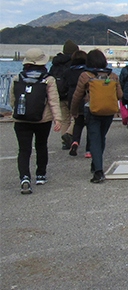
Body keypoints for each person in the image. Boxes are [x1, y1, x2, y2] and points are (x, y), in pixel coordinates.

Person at [9, 48, 63, 194]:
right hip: (42, 120)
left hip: (21, 119)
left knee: (24, 150)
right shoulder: (48, 79)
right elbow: (53, 101)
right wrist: (58, 119)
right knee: (41, 146)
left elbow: (12, 99)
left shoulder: (17, 78)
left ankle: (25, 177)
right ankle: (40, 175)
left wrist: (19, 111)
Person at [69, 49, 123, 184]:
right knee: (101, 137)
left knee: (94, 138)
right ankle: (96, 164)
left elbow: (77, 95)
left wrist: (74, 111)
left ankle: (98, 171)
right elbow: (120, 95)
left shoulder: (85, 76)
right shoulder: (113, 76)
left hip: (92, 110)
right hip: (109, 111)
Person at [48, 39, 78, 149]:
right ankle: (68, 134)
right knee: (77, 117)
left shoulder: (55, 64)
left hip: (59, 94)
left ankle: (65, 143)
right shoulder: (73, 63)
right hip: (71, 94)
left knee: (64, 119)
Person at [64, 50, 88, 156]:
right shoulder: (87, 72)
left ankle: (75, 141)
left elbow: (65, 85)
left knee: (78, 123)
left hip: (72, 98)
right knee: (90, 125)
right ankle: (89, 149)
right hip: (86, 98)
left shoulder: (68, 71)